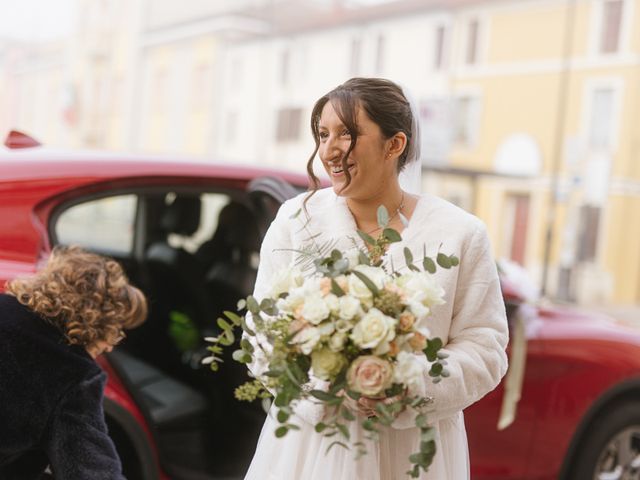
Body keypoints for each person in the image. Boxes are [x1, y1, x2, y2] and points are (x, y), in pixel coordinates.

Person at [243, 78, 509, 480]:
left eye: (346, 134)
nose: (329, 150)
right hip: (310, 449)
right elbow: (260, 334)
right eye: (322, 134)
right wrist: (326, 382)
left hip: (414, 453)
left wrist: (408, 385)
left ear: (394, 145)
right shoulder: (297, 221)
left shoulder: (460, 234)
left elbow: (485, 347)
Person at [0, 246, 147, 480]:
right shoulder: (72, 374)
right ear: (97, 321)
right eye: (117, 330)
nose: (111, 345)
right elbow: (93, 472)